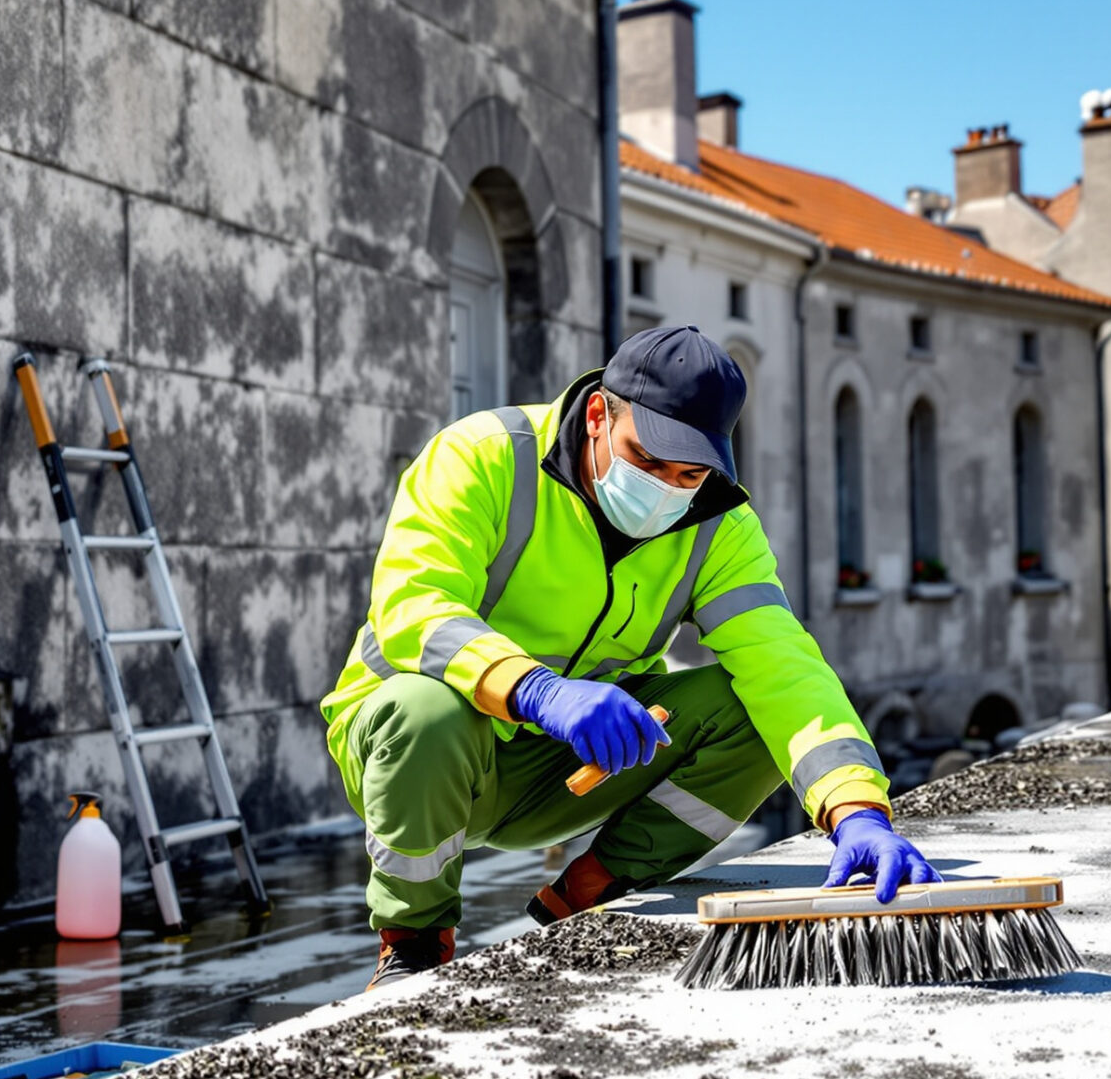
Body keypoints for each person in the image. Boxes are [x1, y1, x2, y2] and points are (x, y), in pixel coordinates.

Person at [318, 325, 940, 988]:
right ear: (597, 415)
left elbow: (783, 664)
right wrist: (537, 690)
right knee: (426, 709)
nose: (666, 488)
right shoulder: (483, 455)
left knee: (753, 708)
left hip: (570, 766)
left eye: (689, 473)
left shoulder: (720, 528)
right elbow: (416, 603)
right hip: (415, 752)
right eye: (646, 458)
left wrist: (857, 808)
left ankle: (592, 894)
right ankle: (414, 943)